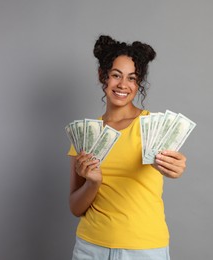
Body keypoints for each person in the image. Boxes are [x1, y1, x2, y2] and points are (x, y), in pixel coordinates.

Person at [68, 35, 187, 260]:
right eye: (116, 75)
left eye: (132, 78)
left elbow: (175, 162)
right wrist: (93, 182)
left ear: (138, 83)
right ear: (102, 76)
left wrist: (177, 167)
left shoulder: (154, 127)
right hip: (90, 248)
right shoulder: (85, 134)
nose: (123, 85)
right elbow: (75, 207)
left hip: (143, 249)